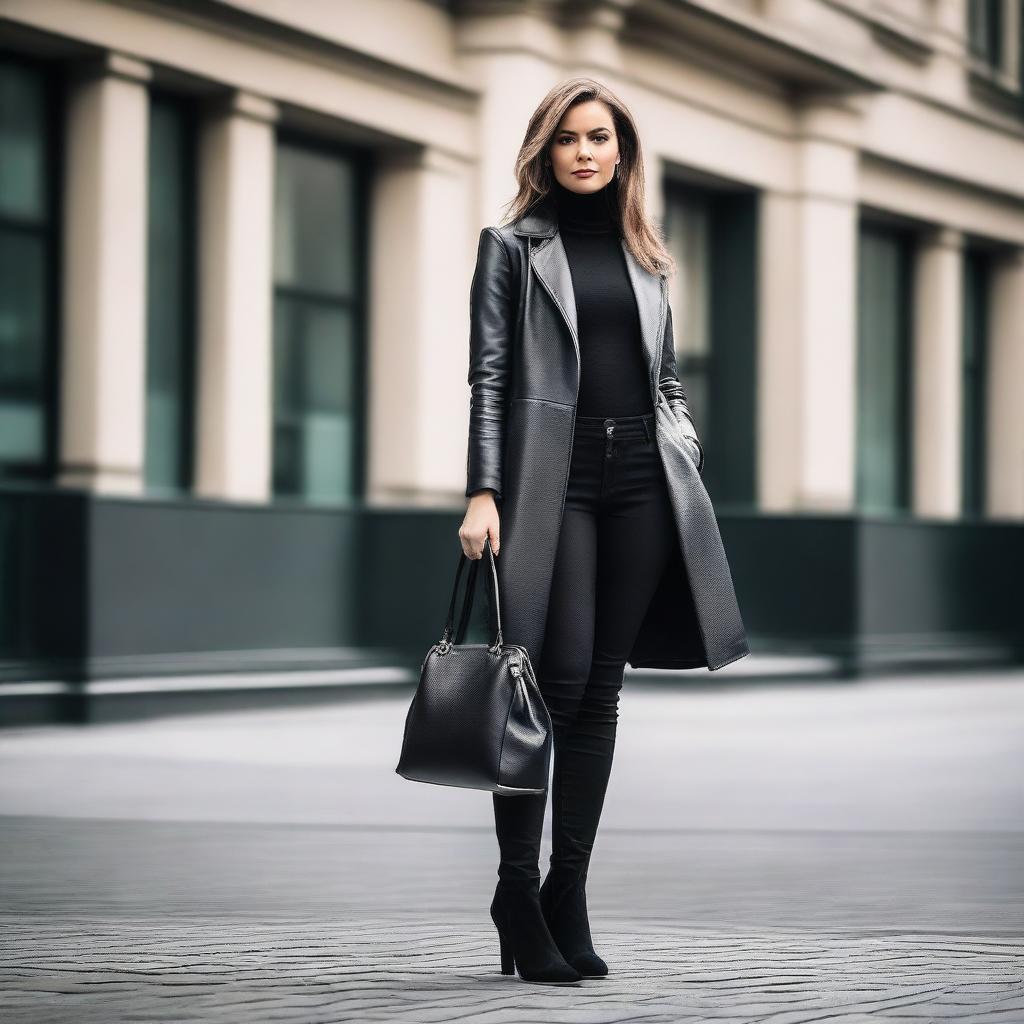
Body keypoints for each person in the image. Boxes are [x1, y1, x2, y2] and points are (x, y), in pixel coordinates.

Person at [458, 78, 745, 986]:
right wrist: (484, 492)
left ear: (623, 154)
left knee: (603, 692)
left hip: (642, 487)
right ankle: (514, 887)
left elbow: (666, 381)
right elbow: (490, 381)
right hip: (555, 485)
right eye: (567, 140)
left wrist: (682, 444)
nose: (584, 152)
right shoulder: (510, 249)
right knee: (553, 682)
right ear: (544, 152)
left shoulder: (649, 258)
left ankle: (564, 894)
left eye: (600, 139)